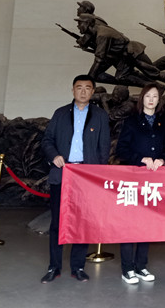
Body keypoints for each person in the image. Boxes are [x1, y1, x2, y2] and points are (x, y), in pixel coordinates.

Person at [40, 75, 110, 283]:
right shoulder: (60, 113)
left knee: (83, 222)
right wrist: (54, 156)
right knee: (57, 222)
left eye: (87, 88)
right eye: (79, 87)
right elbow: (47, 140)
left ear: (93, 91)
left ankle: (78, 266)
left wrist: (97, 174)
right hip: (63, 173)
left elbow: (104, 147)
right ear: (73, 90)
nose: (83, 91)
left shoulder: (100, 116)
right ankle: (54, 266)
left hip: (86, 177)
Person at [116, 83, 165, 284]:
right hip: (133, 179)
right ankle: (127, 268)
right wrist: (141, 158)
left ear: (159, 100)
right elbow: (121, 150)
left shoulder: (162, 121)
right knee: (129, 223)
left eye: (155, 96)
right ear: (142, 98)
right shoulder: (132, 121)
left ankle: (141, 266)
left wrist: (162, 159)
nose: (151, 100)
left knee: (146, 223)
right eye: (148, 96)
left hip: (153, 181)